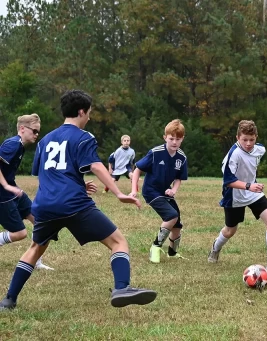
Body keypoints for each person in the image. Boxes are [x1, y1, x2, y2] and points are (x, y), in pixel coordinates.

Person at [0, 90, 157, 311]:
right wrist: (119, 194)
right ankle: (122, 287)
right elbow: (94, 165)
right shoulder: (85, 137)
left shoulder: (45, 140)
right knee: (118, 242)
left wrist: (78, 183)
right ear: (81, 112)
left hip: (44, 205)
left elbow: (47, 171)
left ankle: (8, 300)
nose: (89, 118)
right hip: (74, 204)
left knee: (35, 247)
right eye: (89, 113)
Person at [207, 120, 267, 274]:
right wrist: (248, 185)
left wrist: (251, 186)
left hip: (253, 192)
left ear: (256, 137)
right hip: (234, 196)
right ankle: (215, 248)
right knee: (230, 230)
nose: (248, 143)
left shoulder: (259, 150)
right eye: (244, 140)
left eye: (251, 140)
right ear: (237, 137)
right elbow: (228, 181)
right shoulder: (233, 155)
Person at [130, 119, 188, 264]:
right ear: (165, 138)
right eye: (171, 138)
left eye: (178, 139)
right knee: (171, 215)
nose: (174, 142)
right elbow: (137, 170)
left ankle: (172, 253)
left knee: (177, 224)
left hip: (165, 192)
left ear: (182, 139)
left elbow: (179, 178)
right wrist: (133, 190)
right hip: (151, 191)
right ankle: (155, 247)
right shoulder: (156, 153)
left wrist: (173, 190)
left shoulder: (182, 157)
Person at [0, 114, 53, 270]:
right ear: (22, 129)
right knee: (19, 233)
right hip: (2, 195)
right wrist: (6, 186)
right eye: (34, 131)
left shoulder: (20, 146)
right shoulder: (13, 144)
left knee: (41, 222)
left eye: (38, 132)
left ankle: (35, 261)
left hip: (12, 191)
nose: (36, 135)